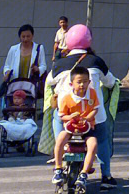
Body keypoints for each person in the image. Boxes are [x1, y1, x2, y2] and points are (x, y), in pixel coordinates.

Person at [46, 23, 119, 190]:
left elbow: (49, 82)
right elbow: (110, 82)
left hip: (66, 116)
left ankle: (60, 167)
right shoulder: (96, 61)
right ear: (89, 41)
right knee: (102, 141)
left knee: (61, 139)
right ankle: (106, 176)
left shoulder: (59, 64)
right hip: (93, 117)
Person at [53, 67, 100, 193]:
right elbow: (62, 115)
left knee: (93, 144)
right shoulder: (67, 98)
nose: (82, 84)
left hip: (88, 128)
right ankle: (58, 169)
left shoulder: (92, 93)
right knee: (60, 139)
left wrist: (88, 118)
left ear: (89, 82)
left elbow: (96, 108)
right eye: (79, 82)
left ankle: (84, 173)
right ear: (71, 84)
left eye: (85, 81)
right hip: (71, 128)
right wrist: (70, 117)